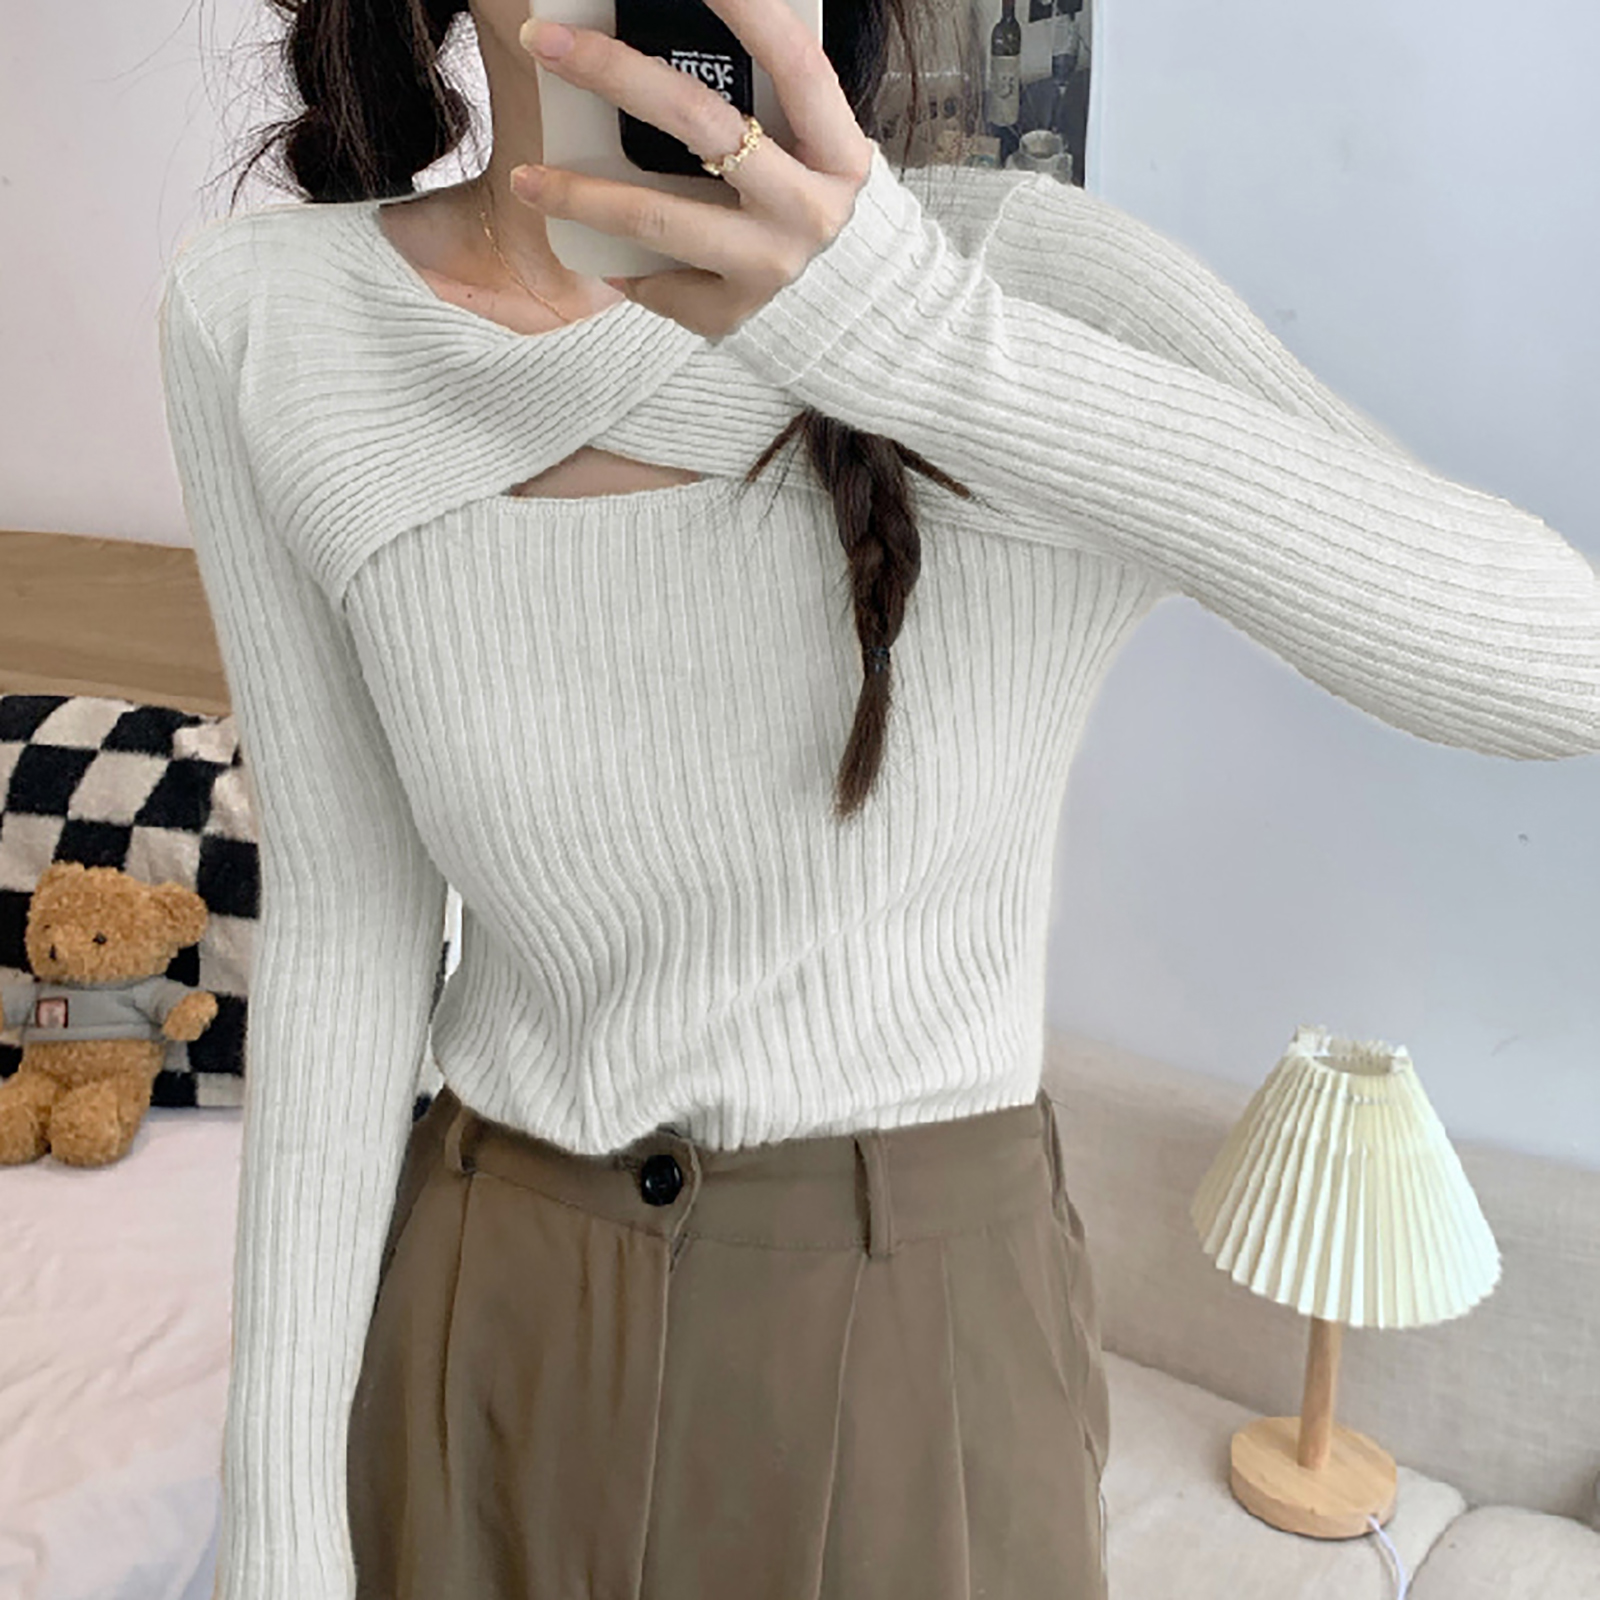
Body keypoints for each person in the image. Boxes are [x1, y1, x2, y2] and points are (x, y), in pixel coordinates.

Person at [156, 0, 1600, 1596]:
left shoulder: (1021, 279)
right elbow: (351, 923)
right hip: (482, 1313)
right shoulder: (270, 322)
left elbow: (1560, 667)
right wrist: (277, 1520)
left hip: (916, 1344)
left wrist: (922, 344)